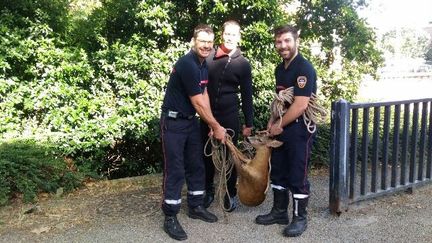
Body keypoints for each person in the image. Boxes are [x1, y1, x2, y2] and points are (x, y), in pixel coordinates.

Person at [160, 24, 227, 241]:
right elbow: (197, 102)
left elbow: (204, 94)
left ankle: (196, 206)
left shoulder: (202, 65)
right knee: (176, 169)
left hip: (189, 123)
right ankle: (170, 217)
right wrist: (216, 127)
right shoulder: (188, 64)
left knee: (196, 165)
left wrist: (210, 123)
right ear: (193, 41)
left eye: (209, 42)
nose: (206, 46)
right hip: (173, 123)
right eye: (202, 41)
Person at [254, 25, 317, 238]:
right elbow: (280, 102)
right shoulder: (280, 69)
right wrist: (271, 123)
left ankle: (300, 218)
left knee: (297, 174)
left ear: (296, 40)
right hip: (281, 129)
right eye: (279, 42)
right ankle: (279, 212)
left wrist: (279, 125)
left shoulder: (304, 68)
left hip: (299, 130)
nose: (283, 46)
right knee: (278, 171)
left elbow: (300, 104)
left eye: (287, 41)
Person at [201, 20, 254, 212]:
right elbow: (199, 88)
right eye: (227, 34)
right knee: (205, 156)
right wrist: (206, 119)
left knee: (229, 158)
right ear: (222, 35)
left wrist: (249, 123)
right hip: (206, 116)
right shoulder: (209, 57)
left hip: (230, 116)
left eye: (234, 34)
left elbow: (247, 95)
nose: (230, 37)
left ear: (239, 37)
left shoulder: (243, 64)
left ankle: (229, 194)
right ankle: (208, 192)